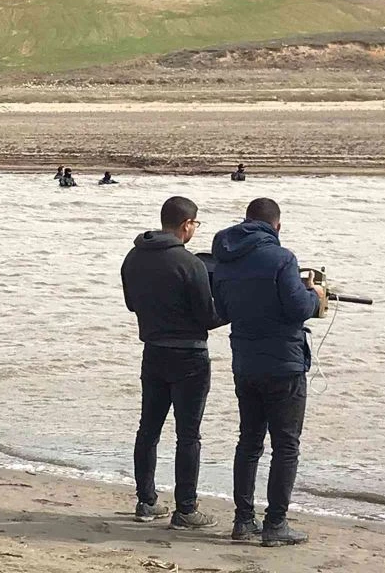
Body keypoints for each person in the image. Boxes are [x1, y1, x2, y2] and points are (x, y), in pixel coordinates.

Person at [211, 198, 325, 547]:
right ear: (277, 226)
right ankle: (276, 524)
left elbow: (223, 311)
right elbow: (298, 308)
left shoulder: (225, 258)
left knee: (249, 442)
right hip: (283, 364)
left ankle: (243, 520)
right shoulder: (283, 258)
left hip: (245, 363)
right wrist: (315, 295)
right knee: (286, 446)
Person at [121, 196, 225, 529]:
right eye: (195, 224)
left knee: (148, 429)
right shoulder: (190, 263)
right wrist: (233, 307)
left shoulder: (134, 256)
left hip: (153, 351)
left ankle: (146, 501)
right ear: (186, 225)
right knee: (188, 435)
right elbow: (208, 317)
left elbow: (131, 304)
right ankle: (186, 509)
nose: (195, 229)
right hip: (189, 355)